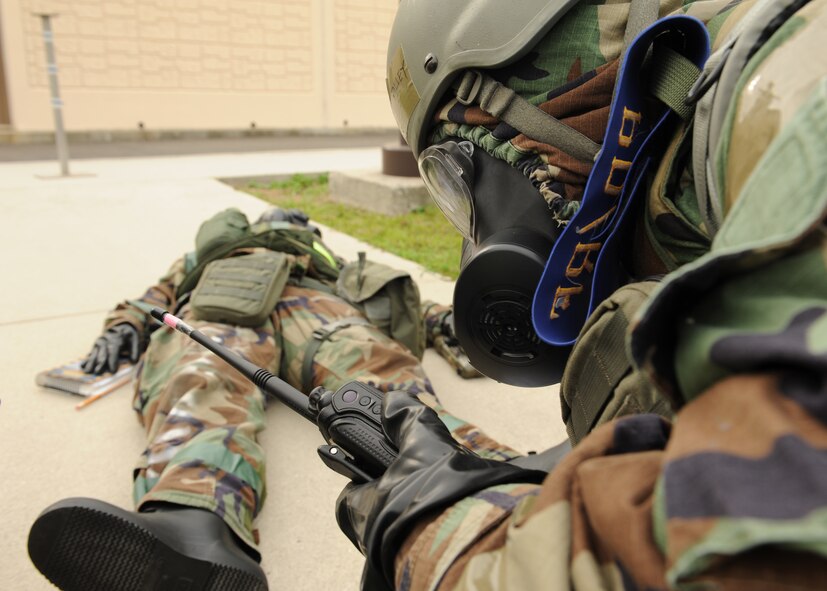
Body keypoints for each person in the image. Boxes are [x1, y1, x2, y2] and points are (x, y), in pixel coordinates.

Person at [335, 1, 827, 590]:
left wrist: (450, 543)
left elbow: (764, 533)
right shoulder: (706, 142)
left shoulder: (794, 94)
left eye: (455, 175)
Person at [26, 206, 503, 591]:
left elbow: (403, 301)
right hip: (224, 306)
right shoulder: (217, 253)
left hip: (322, 313)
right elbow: (153, 295)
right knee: (203, 378)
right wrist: (123, 326)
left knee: (387, 394)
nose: (288, 218)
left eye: (296, 217)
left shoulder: (322, 258)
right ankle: (193, 527)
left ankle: (494, 495)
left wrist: (451, 319)